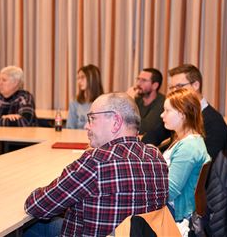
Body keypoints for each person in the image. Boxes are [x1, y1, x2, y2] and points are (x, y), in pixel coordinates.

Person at [24, 92, 169, 236]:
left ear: (116, 122)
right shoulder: (155, 156)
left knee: (29, 228)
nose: (86, 126)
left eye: (92, 118)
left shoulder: (96, 161)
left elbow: (37, 206)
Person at [160, 88, 211, 222]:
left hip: (176, 213)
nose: (162, 115)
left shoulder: (189, 147)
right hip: (173, 207)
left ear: (182, 114)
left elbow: (169, 192)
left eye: (167, 110)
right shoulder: (183, 139)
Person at [168, 64, 227, 159]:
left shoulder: (214, 122)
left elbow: (204, 161)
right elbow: (155, 135)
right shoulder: (178, 113)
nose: (174, 92)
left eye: (179, 86)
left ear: (196, 85)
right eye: (172, 88)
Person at [127, 68, 171, 146]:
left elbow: (144, 128)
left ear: (155, 85)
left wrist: (130, 102)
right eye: (138, 79)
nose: (138, 83)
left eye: (143, 80)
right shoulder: (137, 99)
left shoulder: (163, 103)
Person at [66, 64, 104, 129]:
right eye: (78, 78)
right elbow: (70, 127)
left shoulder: (104, 102)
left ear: (93, 78)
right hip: (77, 138)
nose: (79, 81)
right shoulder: (74, 103)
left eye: (82, 77)